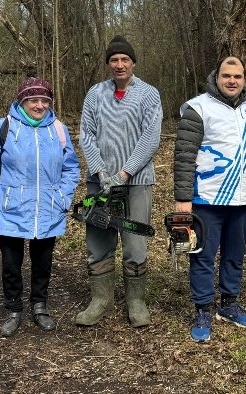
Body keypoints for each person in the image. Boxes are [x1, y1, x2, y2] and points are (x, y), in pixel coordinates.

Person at [173, 55, 246, 342]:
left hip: (243, 200)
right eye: (227, 75)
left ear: (244, 79)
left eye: (237, 76)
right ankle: (203, 309)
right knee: (203, 256)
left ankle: (229, 304)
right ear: (216, 77)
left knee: (235, 255)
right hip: (207, 199)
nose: (232, 81)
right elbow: (184, 156)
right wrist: (183, 198)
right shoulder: (198, 108)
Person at [0, 77, 80, 337]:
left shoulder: (58, 129)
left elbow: (71, 168)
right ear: (22, 101)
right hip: (10, 207)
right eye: (33, 100)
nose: (39, 105)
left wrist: (63, 197)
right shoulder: (4, 126)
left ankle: (39, 306)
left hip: (48, 207)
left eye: (44, 100)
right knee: (11, 263)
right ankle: (13, 309)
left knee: (43, 261)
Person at [76, 35, 163, 328]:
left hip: (137, 182)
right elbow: (86, 134)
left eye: (125, 59)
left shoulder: (149, 94)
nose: (119, 64)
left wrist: (125, 173)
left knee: (135, 242)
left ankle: (136, 302)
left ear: (133, 63)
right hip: (99, 183)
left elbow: (150, 138)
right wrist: (101, 172)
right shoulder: (95, 94)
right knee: (98, 240)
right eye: (114, 60)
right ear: (108, 64)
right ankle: (100, 299)